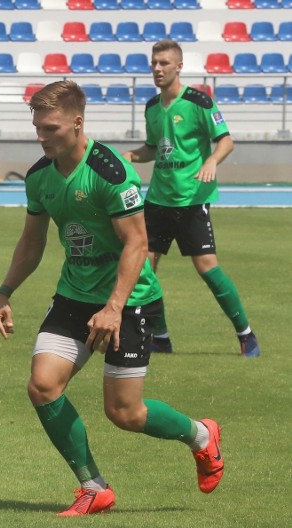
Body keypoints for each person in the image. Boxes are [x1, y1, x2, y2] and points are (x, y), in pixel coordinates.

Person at [0, 81, 223, 516]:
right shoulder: (40, 176)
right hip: (74, 296)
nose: (42, 136)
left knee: (125, 412)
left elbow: (137, 243)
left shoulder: (111, 171)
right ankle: (94, 487)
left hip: (130, 298)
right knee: (42, 385)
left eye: (51, 128)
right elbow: (31, 242)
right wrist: (4, 292)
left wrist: (114, 307)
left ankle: (201, 435)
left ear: (77, 123)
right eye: (37, 127)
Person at [122, 40, 259, 357]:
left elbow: (225, 141)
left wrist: (212, 160)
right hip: (158, 199)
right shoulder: (151, 107)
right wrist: (130, 155)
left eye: (164, 63)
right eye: (154, 63)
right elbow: (154, 148)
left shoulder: (199, 101)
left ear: (179, 66)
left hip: (192, 198)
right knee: (143, 269)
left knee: (208, 268)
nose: (157, 68)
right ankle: (161, 337)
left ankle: (246, 334)